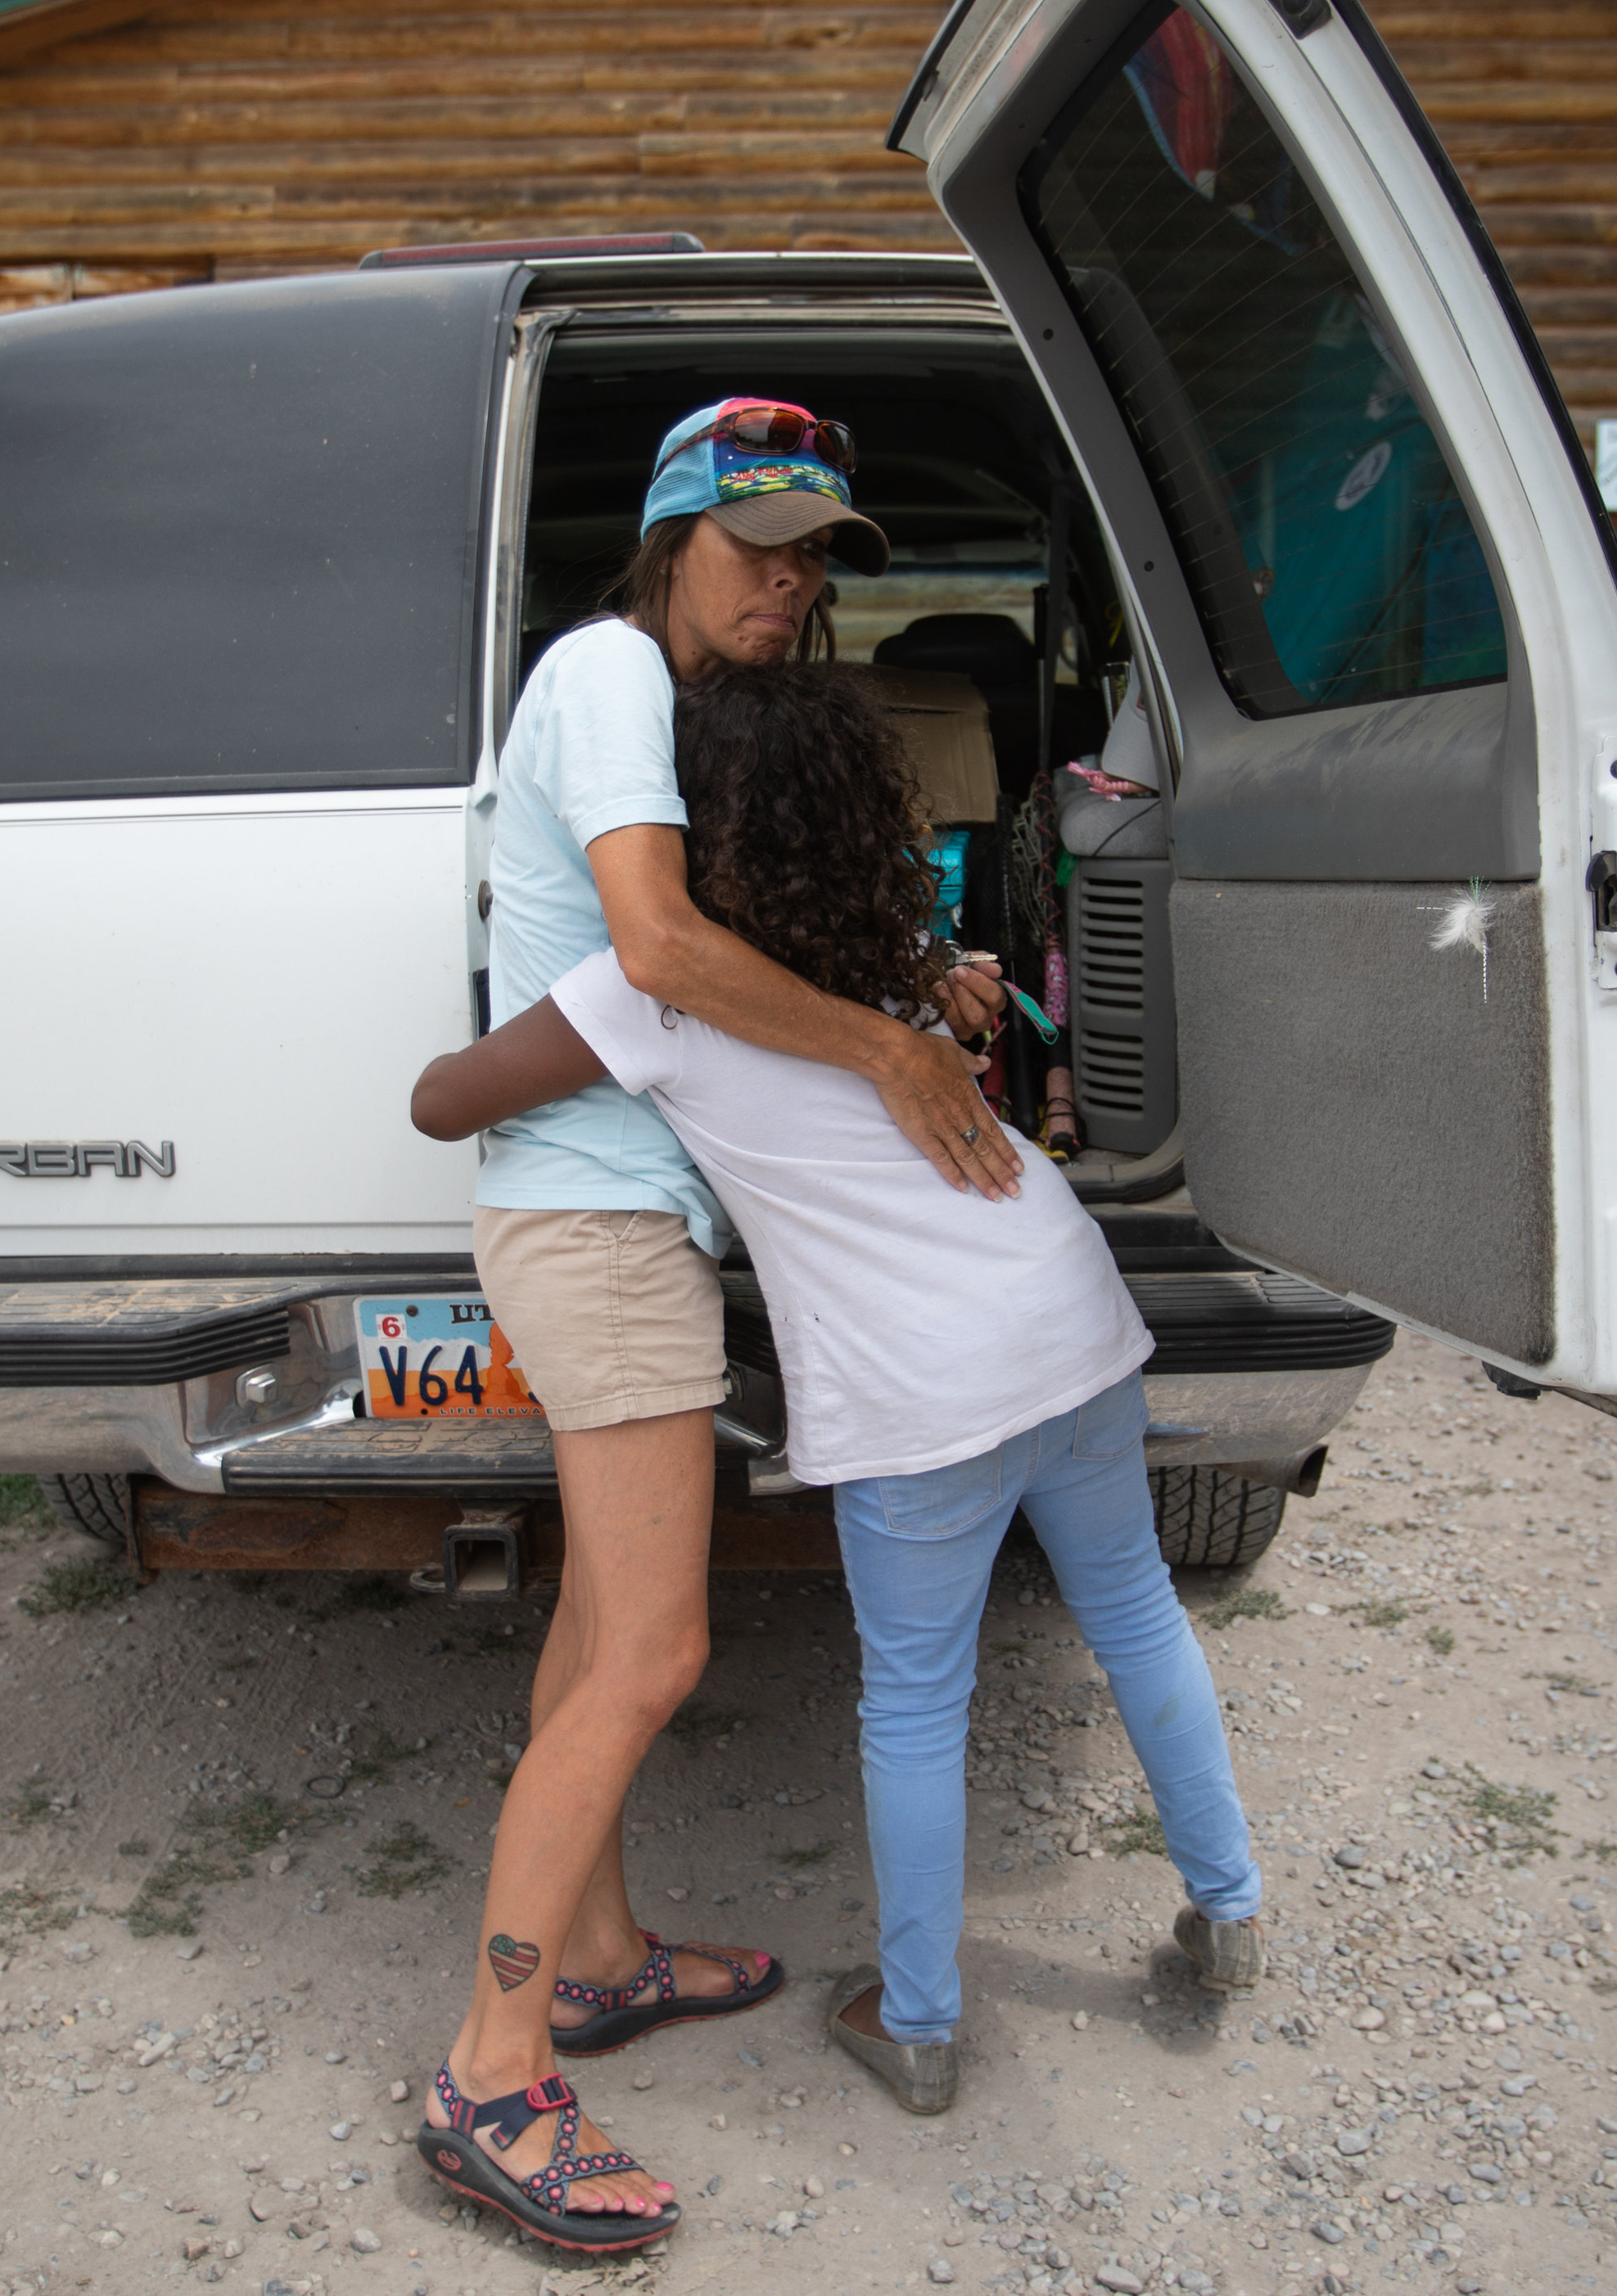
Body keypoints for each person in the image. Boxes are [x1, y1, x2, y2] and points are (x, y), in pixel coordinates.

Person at [413, 652, 1267, 2128]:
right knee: (1134, 1614)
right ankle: (1231, 1912)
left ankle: (922, 2025)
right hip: (1066, 1312)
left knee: (920, 1701)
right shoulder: (884, 958)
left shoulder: (645, 989)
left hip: (922, 1383)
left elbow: (442, 1101)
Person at [414, 400, 1022, 2253]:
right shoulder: (607, 665)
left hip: (611, 1209)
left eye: (813, 553)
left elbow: (722, 928)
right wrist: (893, 1043)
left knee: (602, 1621)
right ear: (671, 537)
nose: (787, 582)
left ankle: (592, 1957)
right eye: (753, 545)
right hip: (593, 1221)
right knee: (655, 1650)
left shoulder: (669, 706)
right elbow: (663, 949)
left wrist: (915, 973)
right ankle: (489, 2070)